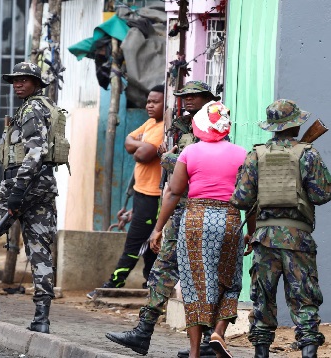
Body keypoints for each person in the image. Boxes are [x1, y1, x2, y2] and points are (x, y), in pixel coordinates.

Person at [106, 81, 220, 357]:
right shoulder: (184, 125)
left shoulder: (214, 126)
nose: (189, 100)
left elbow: (187, 163)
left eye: (195, 96)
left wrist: (162, 155)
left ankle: (206, 342)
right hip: (180, 208)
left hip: (200, 209)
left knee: (198, 277)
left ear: (208, 98)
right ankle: (143, 333)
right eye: (186, 96)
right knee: (163, 271)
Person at [0, 62, 68, 334]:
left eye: (24, 80)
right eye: (15, 80)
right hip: (44, 184)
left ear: (37, 83)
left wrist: (17, 191)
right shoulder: (48, 106)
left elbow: (36, 151)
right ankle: (42, 317)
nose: (18, 84)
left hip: (24, 181)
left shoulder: (31, 109)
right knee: (40, 249)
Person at [143, 101, 247, 358]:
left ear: (200, 126)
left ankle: (193, 353)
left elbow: (175, 192)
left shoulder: (189, 154)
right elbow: (249, 198)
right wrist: (251, 231)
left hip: (195, 220)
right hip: (230, 219)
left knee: (195, 284)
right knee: (230, 281)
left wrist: (157, 229)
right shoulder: (242, 154)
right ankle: (218, 333)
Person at [230, 100, 331, 358]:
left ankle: (261, 353)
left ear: (272, 128)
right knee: (304, 298)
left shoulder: (255, 155)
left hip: (264, 239)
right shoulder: (308, 153)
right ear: (296, 124)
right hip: (298, 239)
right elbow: (322, 195)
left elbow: (241, 199)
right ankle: (309, 351)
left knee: (263, 299)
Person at [87, 85, 165, 300]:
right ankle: (150, 283)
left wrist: (140, 147)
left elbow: (143, 154)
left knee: (135, 241)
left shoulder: (163, 128)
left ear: (165, 104)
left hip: (154, 196)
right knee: (149, 244)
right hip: (141, 193)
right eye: (148, 101)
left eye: (155, 102)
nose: (149, 105)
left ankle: (114, 283)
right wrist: (140, 146)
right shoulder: (151, 123)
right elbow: (128, 142)